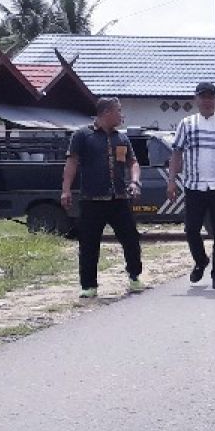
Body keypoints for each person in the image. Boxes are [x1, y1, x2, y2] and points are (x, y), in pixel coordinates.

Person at [61, 97, 144, 298]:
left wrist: (134, 182)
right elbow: (72, 163)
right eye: (118, 111)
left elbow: (133, 163)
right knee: (89, 244)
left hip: (119, 198)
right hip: (92, 199)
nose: (121, 115)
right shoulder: (82, 135)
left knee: (131, 239)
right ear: (107, 113)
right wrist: (66, 190)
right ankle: (89, 286)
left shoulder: (121, 138)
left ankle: (134, 276)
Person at [166, 81, 215, 289]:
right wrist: (171, 181)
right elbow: (177, 153)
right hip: (194, 185)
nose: (207, 101)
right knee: (191, 229)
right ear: (196, 99)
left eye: (210, 97)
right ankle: (201, 261)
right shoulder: (187, 124)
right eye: (203, 97)